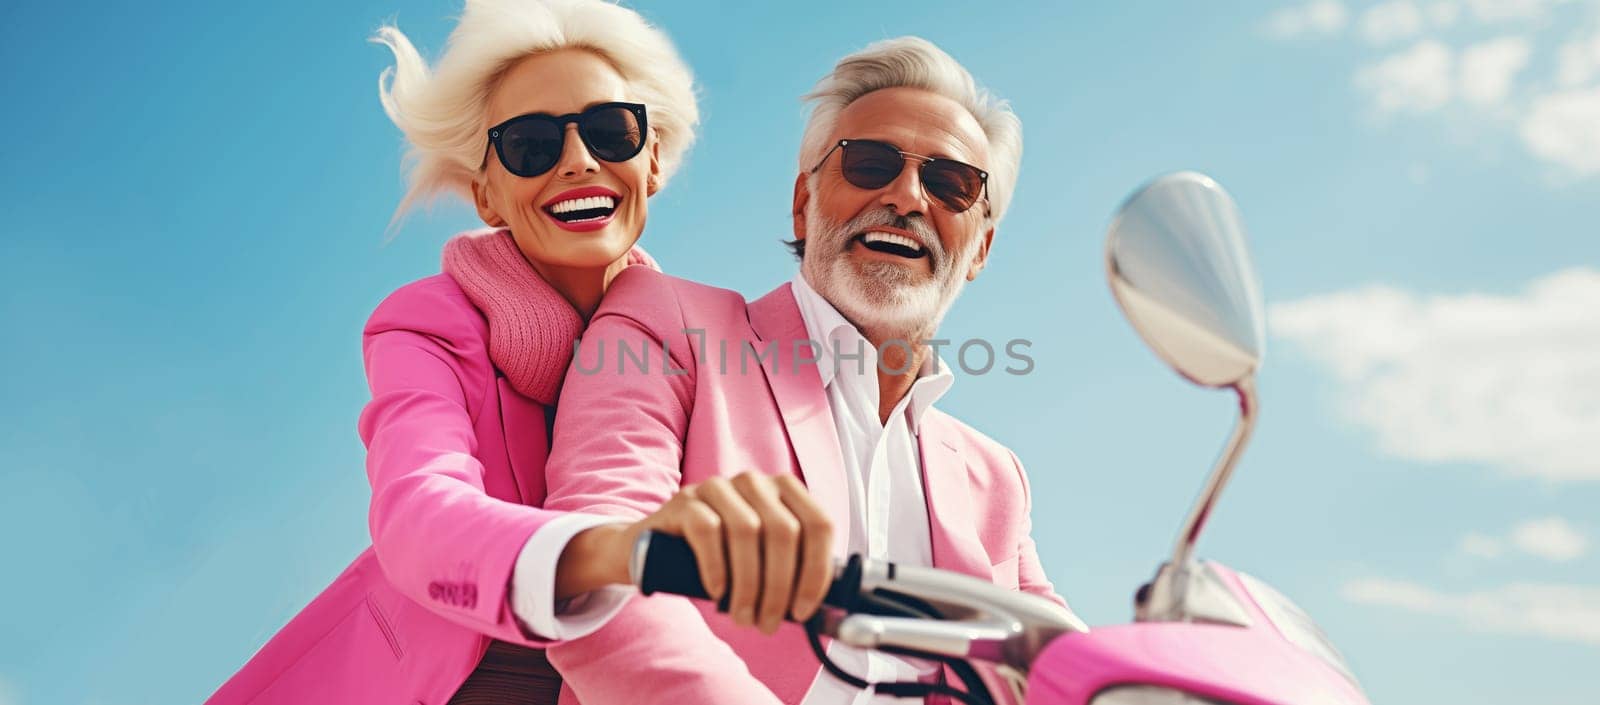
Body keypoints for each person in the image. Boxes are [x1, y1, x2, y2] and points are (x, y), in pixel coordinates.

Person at [205, 2, 832, 704]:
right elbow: (419, 514)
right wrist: (615, 549)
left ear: (652, 159)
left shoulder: (703, 344)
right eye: (531, 146)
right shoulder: (427, 325)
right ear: (487, 195)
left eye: (610, 130)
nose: (579, 161)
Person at [535, 36, 1069, 705]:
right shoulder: (668, 325)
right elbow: (593, 570)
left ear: (981, 246)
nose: (907, 196)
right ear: (803, 203)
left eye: (950, 183)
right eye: (870, 164)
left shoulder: (997, 479)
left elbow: (1068, 669)